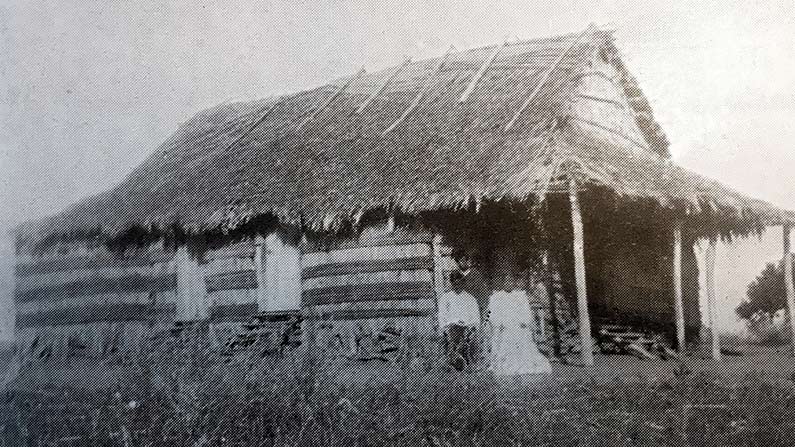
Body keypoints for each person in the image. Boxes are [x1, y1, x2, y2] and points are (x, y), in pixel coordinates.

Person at [487, 266, 552, 375]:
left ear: (514, 282)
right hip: (503, 326)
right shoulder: (496, 297)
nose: (509, 283)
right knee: (506, 335)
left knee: (521, 335)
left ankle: (523, 361)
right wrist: (499, 324)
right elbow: (491, 314)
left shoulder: (520, 296)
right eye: (506, 281)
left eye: (511, 281)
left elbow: (527, 313)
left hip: (518, 325)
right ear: (502, 282)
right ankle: (505, 362)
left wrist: (524, 321)